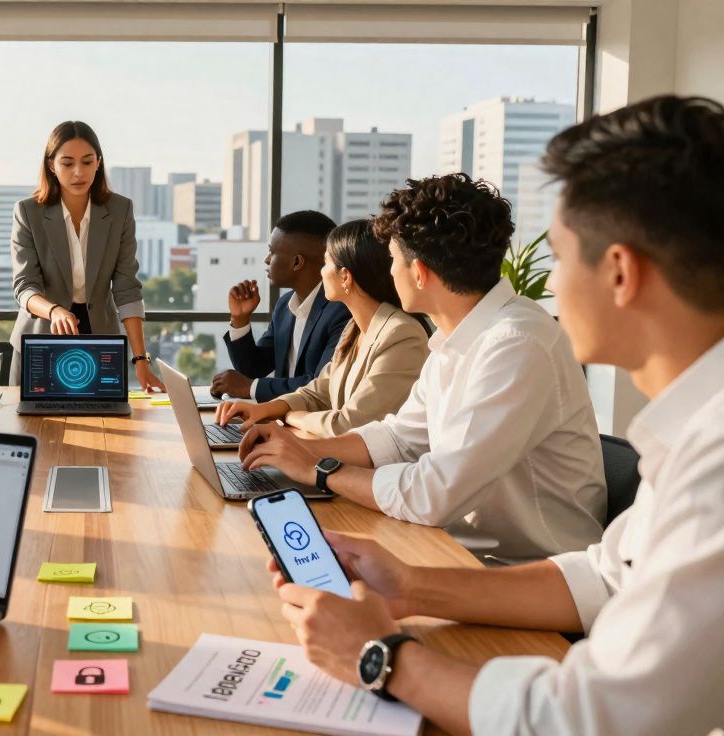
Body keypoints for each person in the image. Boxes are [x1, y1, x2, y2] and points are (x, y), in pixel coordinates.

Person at [261, 94, 724, 736]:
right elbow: (605, 576)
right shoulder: (696, 432)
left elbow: (596, 719)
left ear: (620, 273)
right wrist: (410, 585)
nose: (552, 285)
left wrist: (380, 658)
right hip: (494, 571)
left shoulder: (709, 462)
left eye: (562, 257)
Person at [239, 173, 605, 562]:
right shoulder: (457, 338)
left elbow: (435, 492)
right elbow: (399, 439)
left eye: (393, 259)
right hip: (455, 548)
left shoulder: (516, 344)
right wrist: (296, 449)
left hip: (520, 570)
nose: (388, 271)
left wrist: (321, 468)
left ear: (420, 272)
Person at [215, 219, 430, 437]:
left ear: (345, 276)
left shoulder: (401, 334)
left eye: (326, 263)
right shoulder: (354, 329)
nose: (322, 272)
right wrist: (265, 410)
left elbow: (348, 423)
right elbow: (319, 391)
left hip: (370, 467)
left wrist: (288, 416)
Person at [9, 120, 164, 391]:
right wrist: (54, 311)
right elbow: (25, 287)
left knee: (107, 428)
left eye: (87, 162)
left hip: (101, 341)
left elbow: (127, 289)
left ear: (98, 163)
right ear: (51, 166)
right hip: (42, 339)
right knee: (38, 428)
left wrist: (141, 360)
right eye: (67, 163)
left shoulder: (120, 211)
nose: (79, 172)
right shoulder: (28, 212)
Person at [211, 210, 351, 401]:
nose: (266, 260)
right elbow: (254, 368)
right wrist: (240, 319)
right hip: (280, 419)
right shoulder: (285, 305)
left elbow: (319, 385)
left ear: (297, 262)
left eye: (272, 252)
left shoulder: (341, 311)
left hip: (312, 424)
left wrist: (250, 387)